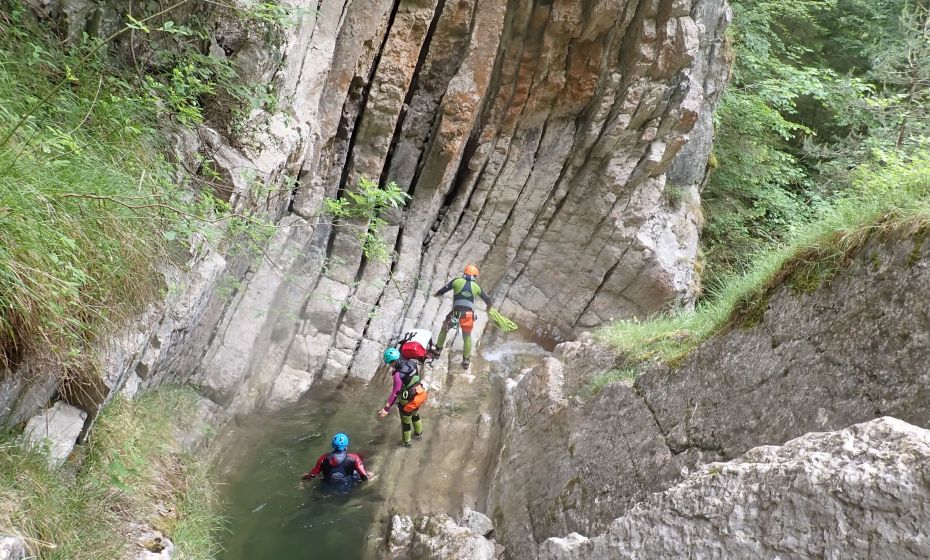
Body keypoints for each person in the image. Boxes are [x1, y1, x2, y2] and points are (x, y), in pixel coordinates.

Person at [432, 264, 493, 369]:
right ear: (475, 276)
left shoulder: (456, 281)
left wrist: (436, 295)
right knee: (467, 338)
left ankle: (437, 351)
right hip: (468, 316)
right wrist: (489, 307)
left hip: (455, 314)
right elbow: (487, 299)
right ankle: (466, 361)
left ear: (464, 273)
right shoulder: (476, 287)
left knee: (444, 330)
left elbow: (442, 290)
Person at [378, 347, 424, 447]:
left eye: (390, 363)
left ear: (393, 361)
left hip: (407, 400)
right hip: (419, 394)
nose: (390, 365)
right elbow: (413, 378)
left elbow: (395, 392)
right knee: (415, 415)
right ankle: (418, 434)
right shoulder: (412, 363)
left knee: (405, 422)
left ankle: (406, 443)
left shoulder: (398, 375)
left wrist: (386, 408)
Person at [301, 432, 370, 489]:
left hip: (327, 487)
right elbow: (364, 476)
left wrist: (304, 479)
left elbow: (313, 475)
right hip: (347, 487)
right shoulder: (354, 458)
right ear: (346, 446)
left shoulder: (323, 458)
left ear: (332, 445)